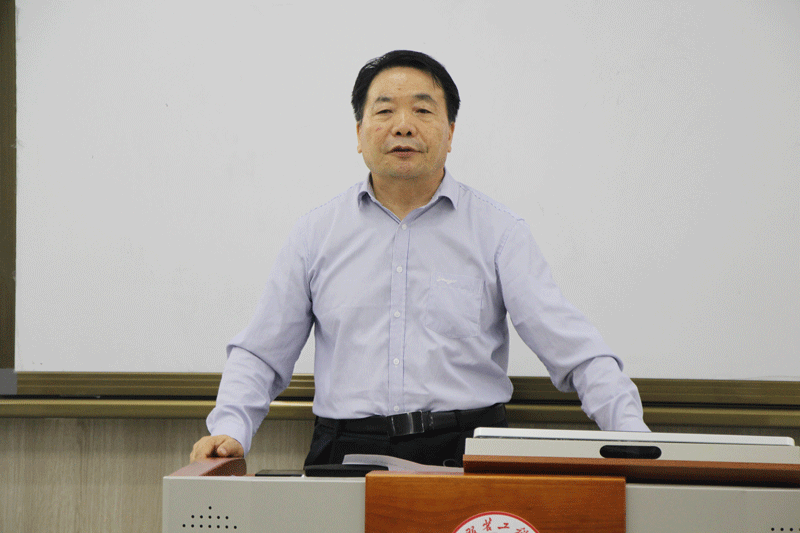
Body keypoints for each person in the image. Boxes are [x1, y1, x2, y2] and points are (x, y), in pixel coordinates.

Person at [190, 50, 649, 467]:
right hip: (346, 450)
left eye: (423, 111)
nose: (403, 126)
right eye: (384, 110)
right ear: (359, 134)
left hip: (466, 449)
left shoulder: (499, 232)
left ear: (450, 134)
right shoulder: (315, 234)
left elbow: (574, 350)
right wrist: (230, 428)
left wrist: (631, 432)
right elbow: (261, 354)